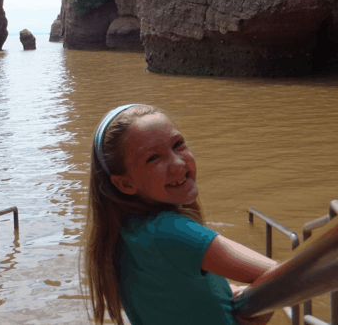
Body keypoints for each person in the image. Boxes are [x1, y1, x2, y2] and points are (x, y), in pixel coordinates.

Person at [83, 104, 277, 325]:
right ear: (125, 183)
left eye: (178, 145)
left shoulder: (123, 232)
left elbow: (170, 295)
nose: (177, 163)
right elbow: (283, 277)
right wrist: (257, 317)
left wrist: (224, 292)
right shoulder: (170, 230)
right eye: (153, 158)